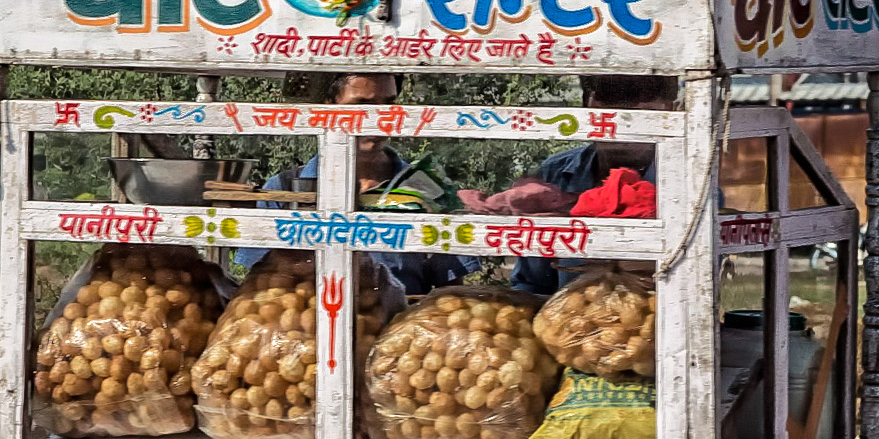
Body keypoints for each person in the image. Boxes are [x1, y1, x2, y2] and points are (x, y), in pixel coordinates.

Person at [237, 73, 470, 296]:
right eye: (361, 106)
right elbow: (258, 290)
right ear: (329, 108)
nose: (378, 120)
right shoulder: (284, 191)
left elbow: (450, 296)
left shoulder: (427, 190)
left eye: (388, 105)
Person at [510, 74, 673, 295]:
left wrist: (620, 267)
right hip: (566, 322)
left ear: (667, 111)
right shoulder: (555, 175)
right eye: (609, 108)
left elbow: (694, 278)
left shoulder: (685, 182)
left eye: (637, 115)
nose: (620, 128)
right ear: (587, 105)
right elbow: (532, 283)